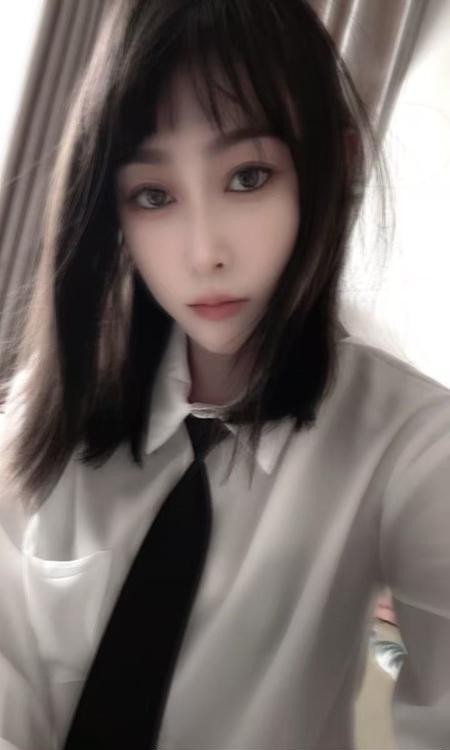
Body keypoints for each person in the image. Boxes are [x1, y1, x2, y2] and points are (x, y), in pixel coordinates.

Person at [0, 0, 449, 748]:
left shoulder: (413, 448)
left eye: (248, 177)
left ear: (334, 164)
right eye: (154, 195)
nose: (204, 251)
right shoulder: (42, 421)